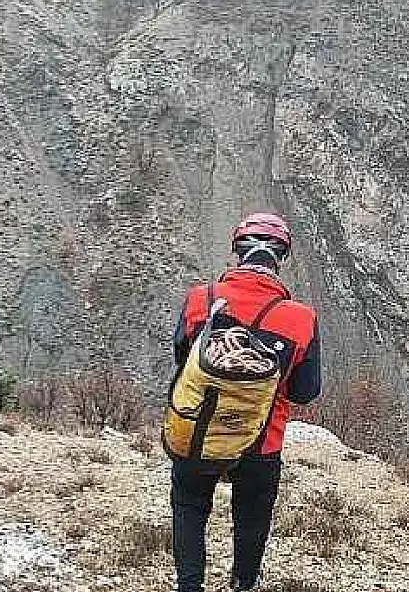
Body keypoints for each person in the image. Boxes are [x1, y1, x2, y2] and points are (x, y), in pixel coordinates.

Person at [167, 212, 322, 592]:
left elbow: (183, 359)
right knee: (251, 521)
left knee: (189, 507)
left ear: (237, 252)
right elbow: (305, 392)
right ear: (280, 258)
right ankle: (243, 584)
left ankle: (189, 587)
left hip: (198, 430)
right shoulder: (301, 319)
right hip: (261, 442)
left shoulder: (199, 299)